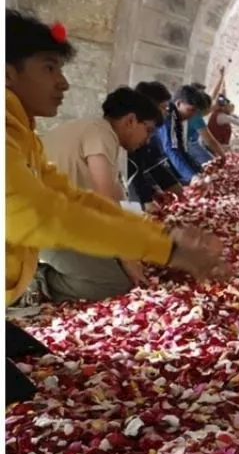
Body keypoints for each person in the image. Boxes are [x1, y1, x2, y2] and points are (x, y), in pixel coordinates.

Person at [5, 10, 224, 402]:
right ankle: (33, 289)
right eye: (50, 67)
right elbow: (46, 214)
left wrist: (159, 240)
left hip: (34, 247)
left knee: (37, 369)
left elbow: (73, 198)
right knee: (22, 400)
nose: (64, 83)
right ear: (8, 73)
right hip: (38, 245)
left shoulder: (24, 134)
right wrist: (161, 248)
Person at [18, 86, 169, 304]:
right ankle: (38, 280)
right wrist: (127, 256)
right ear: (130, 121)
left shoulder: (93, 131)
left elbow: (117, 199)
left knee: (116, 262)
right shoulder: (101, 133)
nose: (148, 140)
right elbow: (106, 199)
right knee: (115, 284)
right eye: (149, 130)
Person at [126, 81, 184, 207]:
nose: (165, 112)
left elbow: (156, 168)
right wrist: (147, 200)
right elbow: (133, 177)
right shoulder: (128, 138)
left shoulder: (152, 133)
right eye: (163, 107)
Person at [155, 83, 209, 184]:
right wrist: (192, 176)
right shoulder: (169, 116)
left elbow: (180, 148)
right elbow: (171, 149)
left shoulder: (176, 119)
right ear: (179, 103)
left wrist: (197, 170)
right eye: (191, 110)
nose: (192, 115)